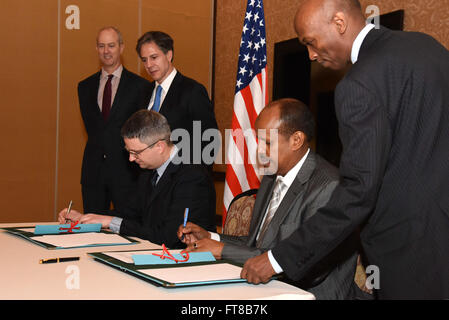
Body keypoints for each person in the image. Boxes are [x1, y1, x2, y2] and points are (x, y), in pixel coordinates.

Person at [241, 0, 449, 299]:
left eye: (310, 42)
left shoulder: (358, 83)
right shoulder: (427, 47)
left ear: (339, 23)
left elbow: (358, 191)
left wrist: (276, 259)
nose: (311, 55)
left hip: (407, 251)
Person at [178, 98, 361, 299]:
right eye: (258, 141)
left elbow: (306, 265)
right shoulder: (271, 177)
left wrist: (222, 251)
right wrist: (212, 238)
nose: (259, 151)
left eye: (267, 142)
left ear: (296, 140)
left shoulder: (329, 186)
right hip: (266, 289)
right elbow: (256, 245)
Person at [59, 110, 216, 248]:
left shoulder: (192, 176)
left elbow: (170, 237)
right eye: (128, 151)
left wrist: (111, 222)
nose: (131, 159)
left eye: (136, 152)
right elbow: (130, 213)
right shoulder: (149, 170)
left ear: (159, 147)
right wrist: (85, 218)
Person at [78, 26, 152, 215]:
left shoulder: (141, 86)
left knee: (127, 229)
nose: (106, 51)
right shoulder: (84, 87)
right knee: (91, 230)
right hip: (93, 173)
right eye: (101, 46)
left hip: (127, 174)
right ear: (96, 49)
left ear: (121, 47)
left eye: (111, 45)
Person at [136, 31, 219, 170]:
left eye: (154, 57)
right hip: (148, 181)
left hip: (183, 180)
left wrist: (192, 178)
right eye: (144, 60)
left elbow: (209, 140)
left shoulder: (193, 91)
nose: (149, 64)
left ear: (169, 55)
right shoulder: (143, 93)